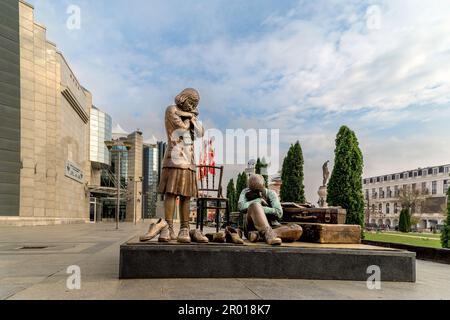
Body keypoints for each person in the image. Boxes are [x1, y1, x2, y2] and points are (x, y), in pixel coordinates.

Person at [140, 88, 207, 243]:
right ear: (184, 98)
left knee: (186, 195)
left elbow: (200, 132)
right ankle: (168, 227)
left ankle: (185, 228)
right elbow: (181, 129)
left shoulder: (190, 116)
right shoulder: (172, 110)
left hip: (189, 161)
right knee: (171, 193)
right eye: (191, 102)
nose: (192, 106)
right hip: (174, 158)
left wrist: (193, 119)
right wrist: (190, 117)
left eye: (195, 104)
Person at [238, 174, 302, 246]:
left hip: (272, 226)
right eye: (254, 191)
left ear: (264, 185)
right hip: (252, 227)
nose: (258, 193)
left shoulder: (271, 193)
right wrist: (258, 201)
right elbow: (241, 206)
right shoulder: (245, 192)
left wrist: (262, 209)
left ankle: (262, 235)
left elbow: (279, 213)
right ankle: (267, 235)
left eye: (259, 190)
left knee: (297, 229)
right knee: (255, 205)